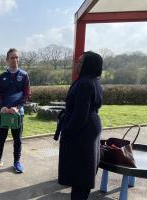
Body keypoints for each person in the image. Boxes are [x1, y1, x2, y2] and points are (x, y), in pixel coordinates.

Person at [57, 51, 103, 200]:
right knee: (83, 171)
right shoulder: (92, 80)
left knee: (80, 174)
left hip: (82, 132)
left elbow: (79, 116)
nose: (75, 64)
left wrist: (66, 130)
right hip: (90, 127)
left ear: (87, 66)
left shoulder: (84, 83)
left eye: (79, 62)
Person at [0, 48, 31, 173]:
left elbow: (27, 94)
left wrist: (18, 107)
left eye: (17, 57)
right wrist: (2, 107)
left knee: (17, 139)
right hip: (3, 113)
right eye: (12, 57)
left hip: (17, 114)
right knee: (0, 139)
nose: (15, 60)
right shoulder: (2, 76)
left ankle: (16, 162)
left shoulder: (24, 75)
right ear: (7, 59)